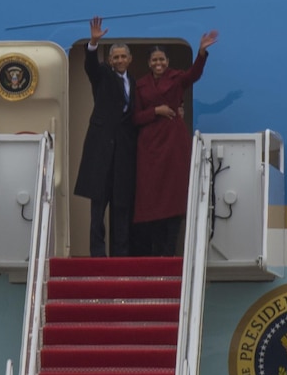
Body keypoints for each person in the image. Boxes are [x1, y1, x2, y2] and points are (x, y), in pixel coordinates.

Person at [129, 30, 218, 256]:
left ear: (167, 62)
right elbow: (135, 117)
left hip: (173, 143)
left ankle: (169, 251)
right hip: (149, 145)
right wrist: (155, 111)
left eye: (162, 59)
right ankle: (155, 251)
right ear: (149, 63)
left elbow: (194, 75)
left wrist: (201, 52)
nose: (158, 63)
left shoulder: (177, 78)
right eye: (154, 60)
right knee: (151, 198)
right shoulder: (140, 85)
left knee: (174, 196)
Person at [79, 17, 139, 258]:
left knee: (122, 207)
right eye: (116, 57)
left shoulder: (134, 83)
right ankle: (97, 254)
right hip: (101, 151)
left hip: (123, 153)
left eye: (123, 56)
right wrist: (93, 43)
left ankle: (121, 255)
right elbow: (90, 67)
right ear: (110, 60)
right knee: (98, 206)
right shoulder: (102, 74)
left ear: (130, 59)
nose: (120, 60)